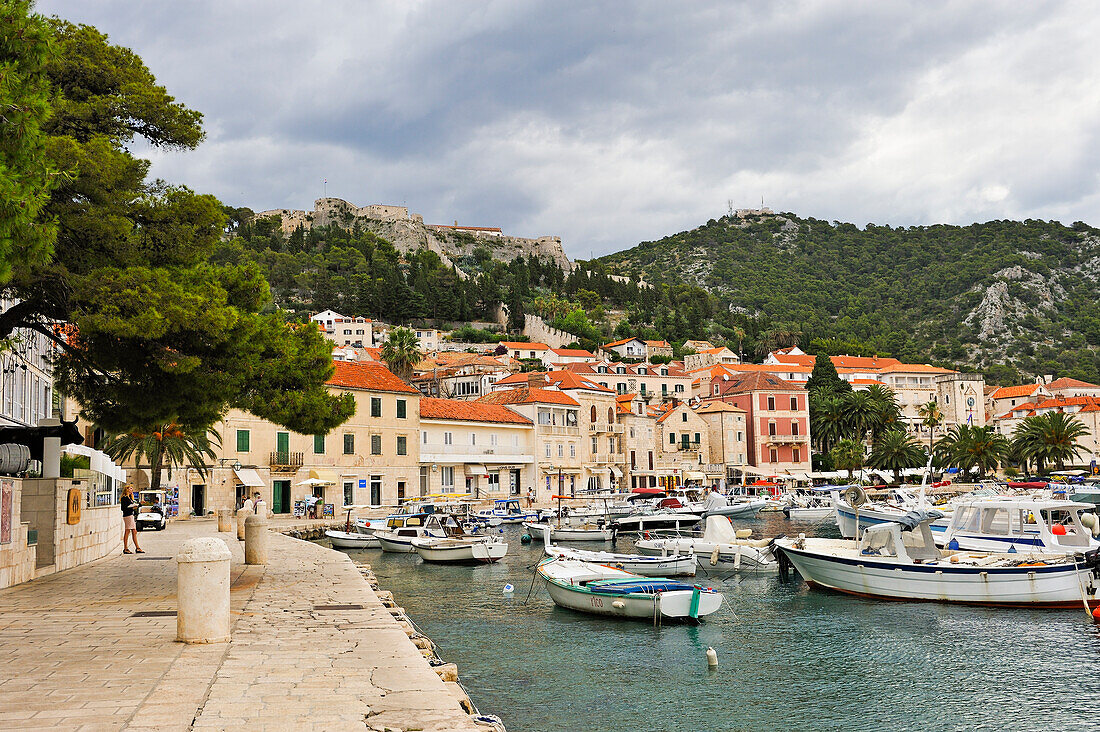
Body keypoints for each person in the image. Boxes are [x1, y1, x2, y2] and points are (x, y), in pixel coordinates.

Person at [120, 485, 143, 554]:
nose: (132, 490)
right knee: (128, 531)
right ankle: (126, 548)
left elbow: (132, 507)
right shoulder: (124, 498)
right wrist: (132, 506)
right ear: (127, 489)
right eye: (130, 488)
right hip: (127, 516)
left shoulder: (130, 498)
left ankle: (137, 547)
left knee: (133, 531)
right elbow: (123, 508)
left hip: (130, 515)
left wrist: (139, 505)